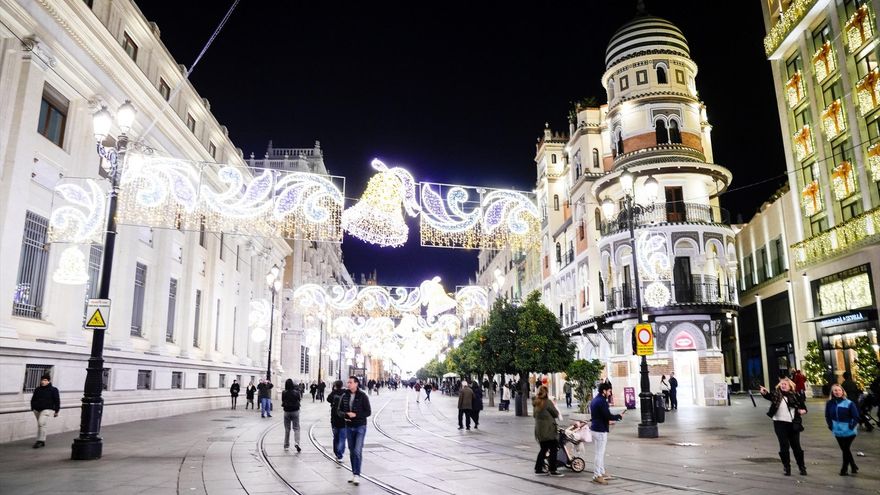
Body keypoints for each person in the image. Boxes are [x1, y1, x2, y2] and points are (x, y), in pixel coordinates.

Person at [759, 378, 808, 476]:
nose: (783, 385)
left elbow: (804, 408)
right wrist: (764, 392)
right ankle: (787, 467)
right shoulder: (776, 395)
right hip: (779, 423)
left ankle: (801, 466)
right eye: (781, 384)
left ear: (790, 386)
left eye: (785, 384)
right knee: (784, 445)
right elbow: (768, 396)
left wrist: (802, 411)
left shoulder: (796, 396)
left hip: (792, 424)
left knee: (796, 446)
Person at [338, 376, 372, 486]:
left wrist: (356, 415)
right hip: (349, 426)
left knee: (357, 450)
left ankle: (357, 475)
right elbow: (339, 411)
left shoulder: (363, 396)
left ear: (356, 384)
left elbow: (368, 412)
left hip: (360, 426)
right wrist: (345, 414)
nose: (348, 384)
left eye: (350, 382)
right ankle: (354, 473)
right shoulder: (344, 396)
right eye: (348, 382)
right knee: (352, 451)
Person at [590, 382, 623, 485]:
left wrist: (609, 420)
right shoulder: (602, 401)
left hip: (595, 428)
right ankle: (597, 475)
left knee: (599, 452)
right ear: (604, 391)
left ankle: (601, 472)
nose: (610, 393)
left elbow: (599, 415)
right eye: (609, 391)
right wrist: (618, 417)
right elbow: (607, 415)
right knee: (599, 454)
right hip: (600, 430)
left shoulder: (595, 400)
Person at [825, 384, 860, 476]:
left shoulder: (849, 403)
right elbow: (827, 416)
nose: (837, 392)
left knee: (845, 449)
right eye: (835, 390)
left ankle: (844, 469)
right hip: (837, 431)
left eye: (839, 390)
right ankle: (853, 466)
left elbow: (856, 417)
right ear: (832, 392)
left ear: (843, 391)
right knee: (845, 449)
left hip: (849, 431)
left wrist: (851, 426)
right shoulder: (829, 403)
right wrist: (830, 426)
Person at [532, 385, 563, 477]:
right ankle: (553, 470)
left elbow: (534, 415)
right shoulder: (547, 402)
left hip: (539, 430)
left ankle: (538, 469)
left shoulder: (536, 402)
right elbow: (555, 413)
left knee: (543, 449)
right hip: (549, 430)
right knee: (553, 449)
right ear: (546, 393)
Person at [30, 373, 59, 448]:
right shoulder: (37, 389)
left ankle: (40, 441)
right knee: (41, 425)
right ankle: (42, 441)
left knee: (41, 423)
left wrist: (56, 411)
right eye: (42, 380)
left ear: (48, 381)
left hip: (46, 409)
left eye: (45, 380)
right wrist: (32, 407)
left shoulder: (53, 390)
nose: (43, 381)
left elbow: (57, 400)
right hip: (36, 409)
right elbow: (33, 399)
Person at [327, 380, 347, 463]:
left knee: (336, 437)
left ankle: (336, 451)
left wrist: (333, 390)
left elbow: (328, 399)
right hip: (343, 418)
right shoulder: (345, 393)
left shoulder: (333, 393)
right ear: (342, 385)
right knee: (342, 437)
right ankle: (340, 454)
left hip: (334, 418)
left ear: (335, 386)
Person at [281, 379, 302, 452]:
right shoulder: (296, 392)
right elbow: (299, 399)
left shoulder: (284, 392)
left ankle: (286, 445)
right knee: (296, 428)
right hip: (295, 411)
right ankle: (297, 443)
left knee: (287, 429)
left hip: (287, 411)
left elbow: (283, 400)